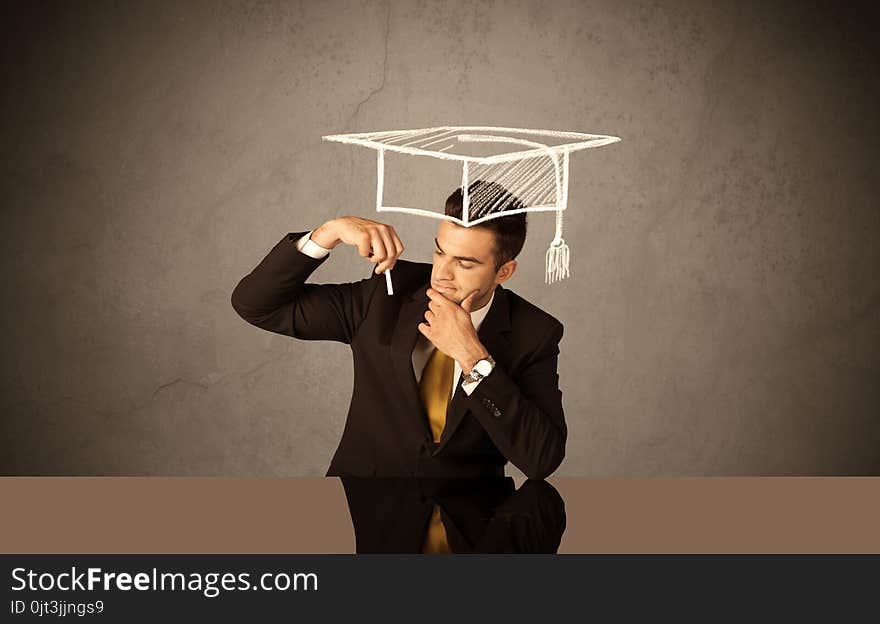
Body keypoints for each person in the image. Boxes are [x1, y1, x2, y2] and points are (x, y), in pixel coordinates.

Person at [231, 181, 566, 479]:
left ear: (504, 271)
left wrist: (472, 357)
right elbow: (256, 305)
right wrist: (327, 233)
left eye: (465, 263)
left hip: (470, 527)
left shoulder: (535, 333)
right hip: (364, 515)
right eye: (439, 251)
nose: (442, 274)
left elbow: (542, 460)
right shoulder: (386, 292)